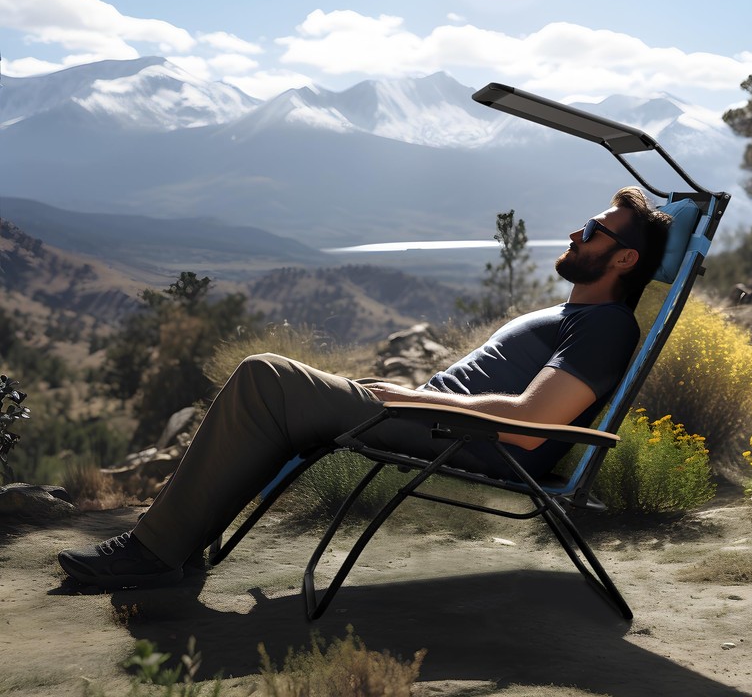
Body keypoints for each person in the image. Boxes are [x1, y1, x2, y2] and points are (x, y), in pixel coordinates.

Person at [58, 186, 670, 589]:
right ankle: (177, 541)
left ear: (623, 261)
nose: (574, 233)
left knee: (265, 376)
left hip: (460, 436)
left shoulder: (606, 328)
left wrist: (409, 399)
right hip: (432, 418)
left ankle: (154, 552)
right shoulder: (580, 317)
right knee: (277, 400)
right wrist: (409, 396)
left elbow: (530, 426)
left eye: (593, 230)